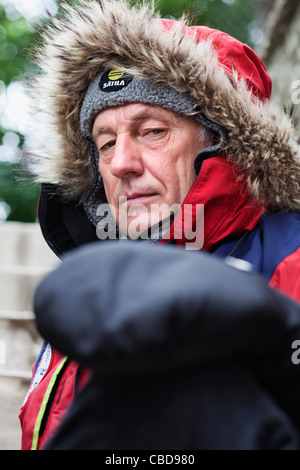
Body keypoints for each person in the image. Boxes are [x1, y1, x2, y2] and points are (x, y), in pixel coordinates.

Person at [19, 0, 300, 450]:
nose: (122, 164)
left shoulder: (293, 261)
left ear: (223, 142)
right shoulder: (93, 287)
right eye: (105, 143)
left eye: (152, 131)